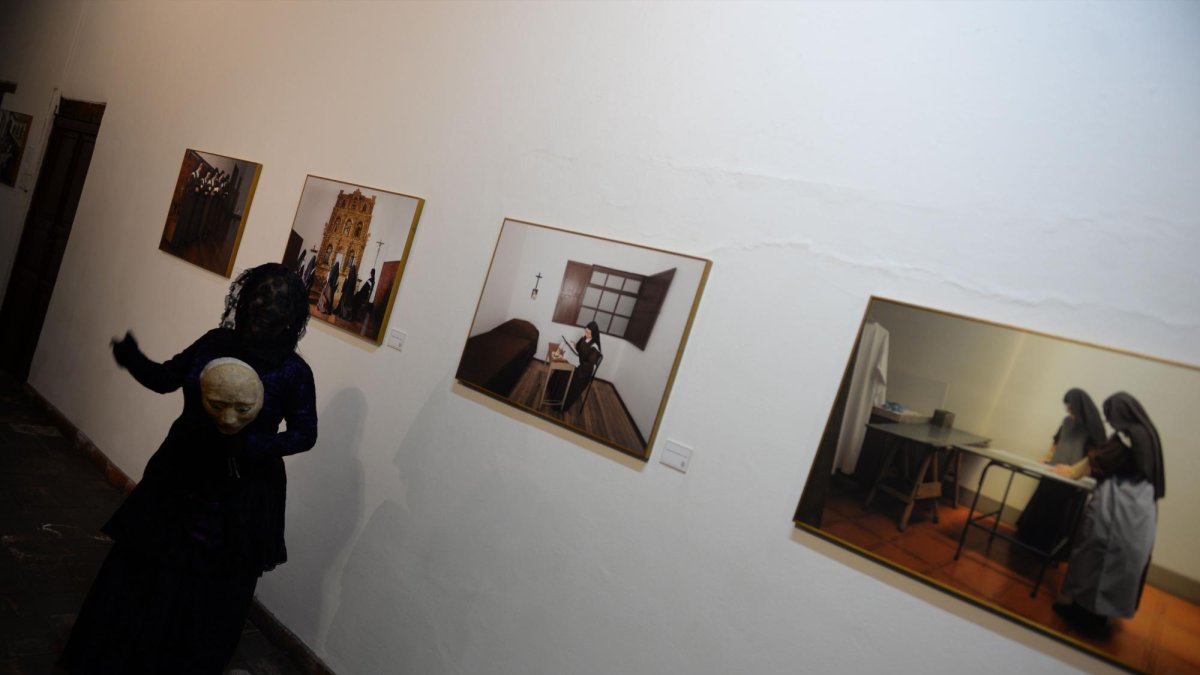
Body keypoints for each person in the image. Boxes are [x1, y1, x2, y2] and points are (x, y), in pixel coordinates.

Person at [59, 263, 318, 674]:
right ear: (245, 298)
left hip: (238, 495)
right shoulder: (216, 342)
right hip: (180, 473)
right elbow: (168, 377)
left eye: (279, 302)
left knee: (205, 595)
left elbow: (305, 433)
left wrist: (253, 445)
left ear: (291, 316)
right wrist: (134, 360)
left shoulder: (293, 372)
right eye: (260, 295)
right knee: (146, 571)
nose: (266, 306)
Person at [1053, 392, 1165, 631]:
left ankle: (1086, 615)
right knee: (1120, 564)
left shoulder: (1128, 435)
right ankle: (1100, 614)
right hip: (1140, 509)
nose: (1109, 421)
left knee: (1098, 556)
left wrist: (1070, 471)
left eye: (1109, 415)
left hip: (1119, 506)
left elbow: (1099, 459)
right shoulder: (1148, 434)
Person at [1015, 388, 1106, 553]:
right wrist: (1048, 457)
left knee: (1060, 515)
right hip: (1054, 471)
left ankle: (1050, 550)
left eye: (1071, 406)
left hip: (1074, 479)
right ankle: (1028, 542)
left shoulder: (1094, 428)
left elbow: (1093, 458)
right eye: (1067, 406)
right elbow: (1057, 442)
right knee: (1041, 508)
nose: (1068, 410)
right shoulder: (1067, 422)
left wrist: (1072, 471)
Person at [560, 321, 602, 411]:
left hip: (583, 370)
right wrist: (574, 345)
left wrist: (577, 363)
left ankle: (561, 402)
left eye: (588, 333)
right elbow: (578, 349)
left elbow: (589, 364)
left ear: (594, 334)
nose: (586, 334)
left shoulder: (595, 347)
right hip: (577, 361)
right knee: (562, 366)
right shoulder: (584, 337)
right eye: (586, 331)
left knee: (567, 374)